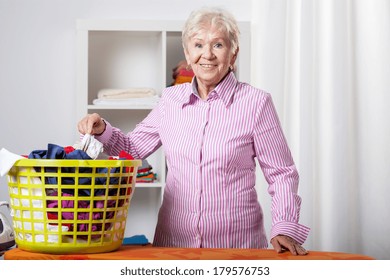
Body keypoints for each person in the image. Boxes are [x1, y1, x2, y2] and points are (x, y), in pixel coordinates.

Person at [78, 7, 310, 255]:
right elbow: (132, 149)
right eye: (198, 45)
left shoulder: (256, 103)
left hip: (236, 247)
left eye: (218, 45)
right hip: (174, 246)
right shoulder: (170, 100)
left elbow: (282, 173)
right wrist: (102, 129)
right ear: (187, 54)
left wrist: (284, 227)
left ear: (233, 54)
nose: (207, 55)